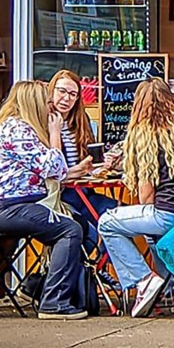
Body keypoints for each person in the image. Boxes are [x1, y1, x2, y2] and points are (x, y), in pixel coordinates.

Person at [0, 80, 92, 320]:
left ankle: (38, 286)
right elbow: (52, 167)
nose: (51, 108)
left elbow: (49, 170)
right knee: (68, 229)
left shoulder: (18, 127)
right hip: (4, 208)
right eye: (46, 103)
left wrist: (70, 172)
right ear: (34, 104)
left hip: (13, 204)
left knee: (78, 222)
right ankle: (54, 302)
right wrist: (55, 133)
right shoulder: (17, 129)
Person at [98, 77, 174, 317]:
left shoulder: (146, 133)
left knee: (106, 222)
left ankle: (144, 280)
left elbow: (146, 197)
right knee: (150, 233)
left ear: (138, 105)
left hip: (167, 214)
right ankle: (173, 290)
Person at [47, 70, 118, 245]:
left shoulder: (80, 121)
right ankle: (87, 269)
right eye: (61, 91)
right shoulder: (44, 122)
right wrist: (79, 170)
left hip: (83, 192)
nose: (66, 99)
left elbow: (87, 165)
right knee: (88, 231)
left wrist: (102, 165)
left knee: (119, 215)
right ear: (51, 90)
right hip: (59, 197)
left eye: (73, 94)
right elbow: (51, 174)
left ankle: (98, 268)